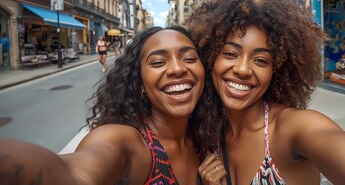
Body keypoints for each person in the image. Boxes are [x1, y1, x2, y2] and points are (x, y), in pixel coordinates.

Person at [187, 0, 345, 184]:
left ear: (276, 70)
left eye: (260, 60)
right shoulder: (211, 130)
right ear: (210, 59)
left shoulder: (291, 128)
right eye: (230, 54)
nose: (242, 69)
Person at [0, 26, 223, 185]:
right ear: (140, 84)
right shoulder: (127, 142)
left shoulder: (203, 138)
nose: (177, 69)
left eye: (190, 58)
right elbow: (75, 174)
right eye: (158, 62)